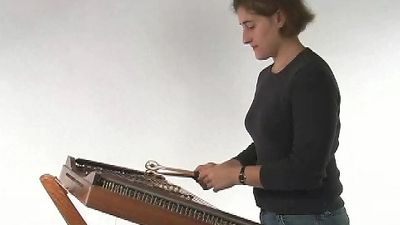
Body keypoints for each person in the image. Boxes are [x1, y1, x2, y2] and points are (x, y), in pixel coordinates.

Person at [195, 0, 350, 225]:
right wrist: (230, 165)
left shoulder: (312, 77)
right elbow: (271, 143)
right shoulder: (267, 76)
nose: (245, 39)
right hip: (276, 216)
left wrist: (235, 176)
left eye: (250, 26)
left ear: (279, 18)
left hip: (312, 217)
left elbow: (306, 172)